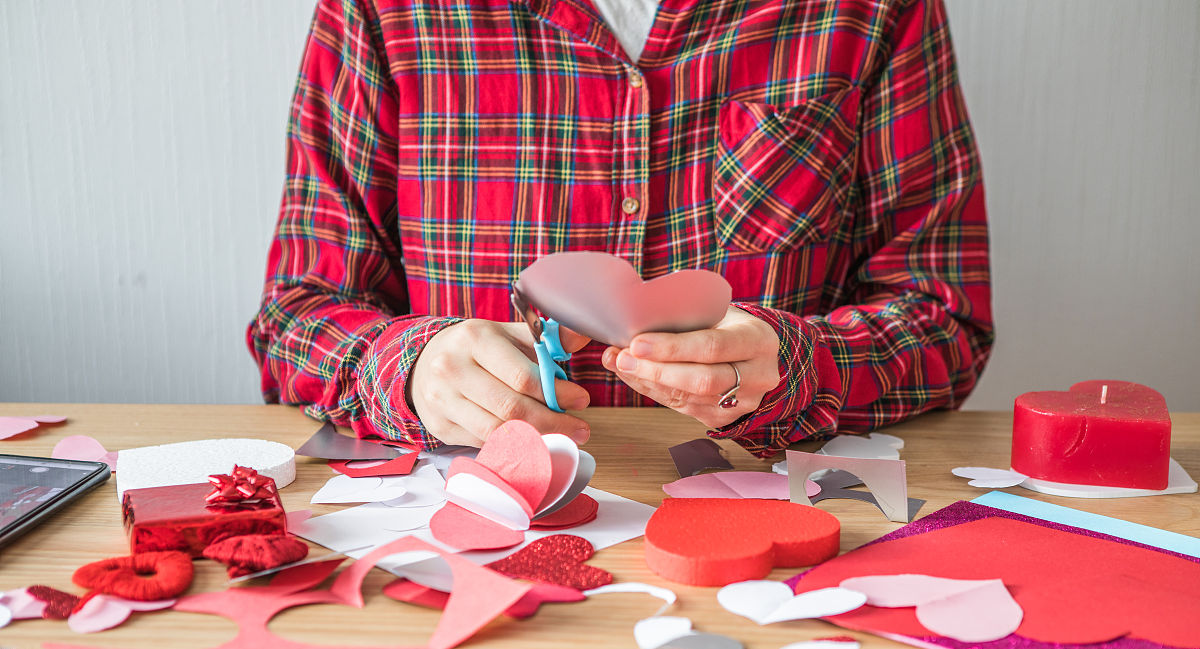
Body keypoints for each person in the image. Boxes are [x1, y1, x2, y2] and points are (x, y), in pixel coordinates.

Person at [248, 0, 992, 459]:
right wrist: (409, 369)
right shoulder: (385, 10)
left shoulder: (872, 9)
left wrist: (802, 367)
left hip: (776, 547)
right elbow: (294, 319)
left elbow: (945, 321)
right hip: (470, 535)